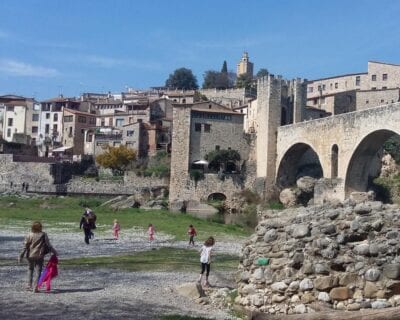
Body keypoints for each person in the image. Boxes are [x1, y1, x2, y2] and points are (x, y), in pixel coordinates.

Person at [18, 221, 57, 293]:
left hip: (30, 255)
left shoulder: (29, 235)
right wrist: (54, 251)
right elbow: (48, 244)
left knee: (30, 269)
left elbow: (25, 246)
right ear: (40, 227)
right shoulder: (43, 234)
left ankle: (29, 285)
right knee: (38, 271)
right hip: (39, 255)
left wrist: (21, 255)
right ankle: (35, 287)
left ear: (32, 227)